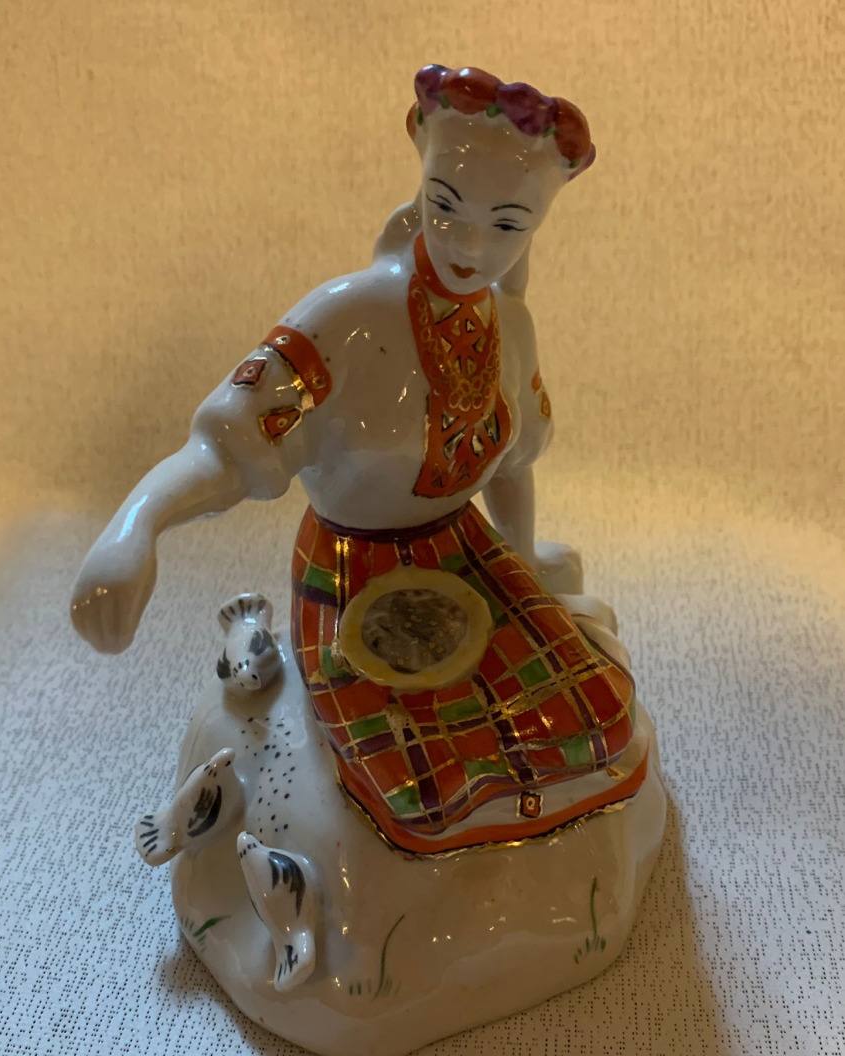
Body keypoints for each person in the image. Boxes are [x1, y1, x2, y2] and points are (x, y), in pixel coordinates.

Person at [71, 65, 636, 850]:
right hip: (350, 569)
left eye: (508, 226)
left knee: (598, 717)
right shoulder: (344, 319)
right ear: (421, 177)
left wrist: (523, 558)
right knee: (421, 787)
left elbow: (510, 464)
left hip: (465, 550)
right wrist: (136, 527)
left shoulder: (511, 328)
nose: (470, 246)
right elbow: (227, 446)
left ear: (537, 224)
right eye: (446, 207)